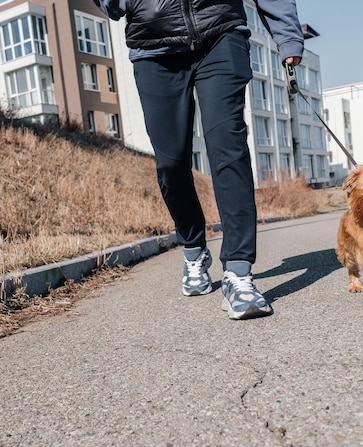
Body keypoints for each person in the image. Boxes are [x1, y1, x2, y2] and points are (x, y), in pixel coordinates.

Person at [93, 0, 304, 319]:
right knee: (171, 163)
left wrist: (287, 36)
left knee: (229, 149)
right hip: (153, 47)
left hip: (220, 33)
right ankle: (194, 249)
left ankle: (238, 272)